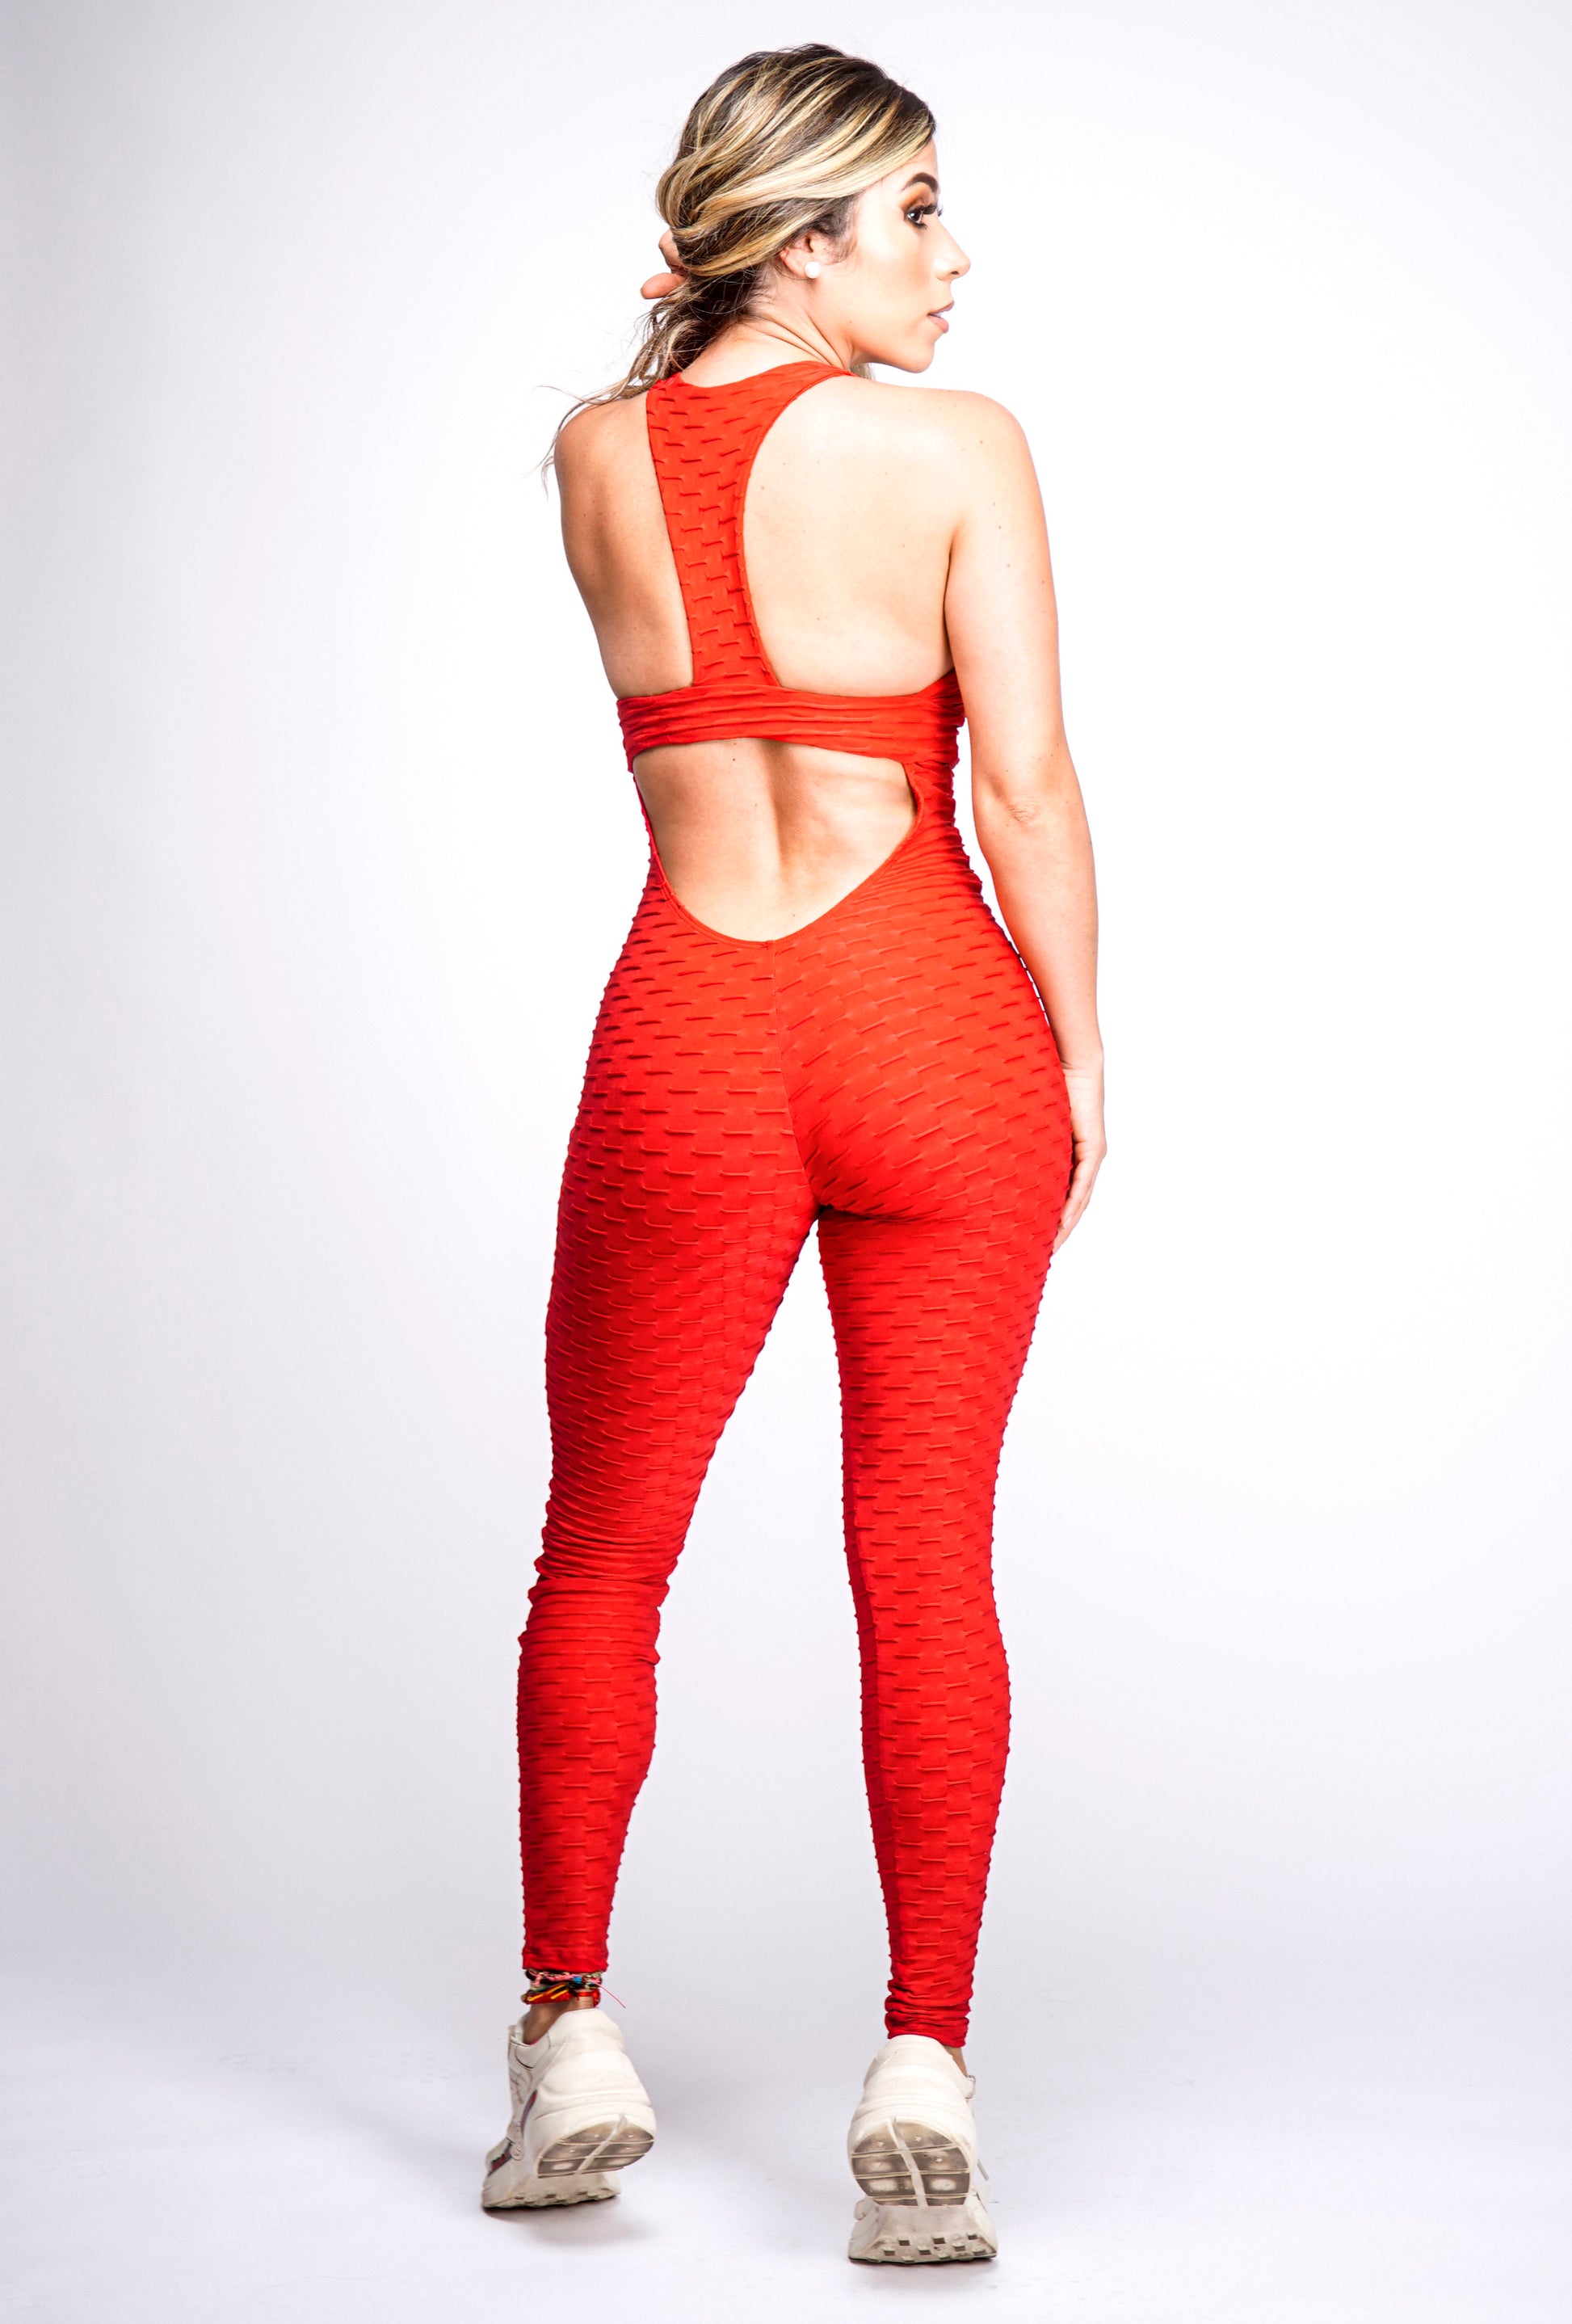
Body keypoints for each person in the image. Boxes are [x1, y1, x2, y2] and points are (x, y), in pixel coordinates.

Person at [481, 43, 1105, 2265]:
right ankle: (923, 2060)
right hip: (929, 1019)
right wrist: (1080, 1060)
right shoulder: (957, 448)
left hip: (696, 1030)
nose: (953, 256)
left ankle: (568, 2030)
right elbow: (1020, 785)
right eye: (914, 210)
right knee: (924, 1554)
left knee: (601, 1552)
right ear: (803, 235)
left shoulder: (592, 452)